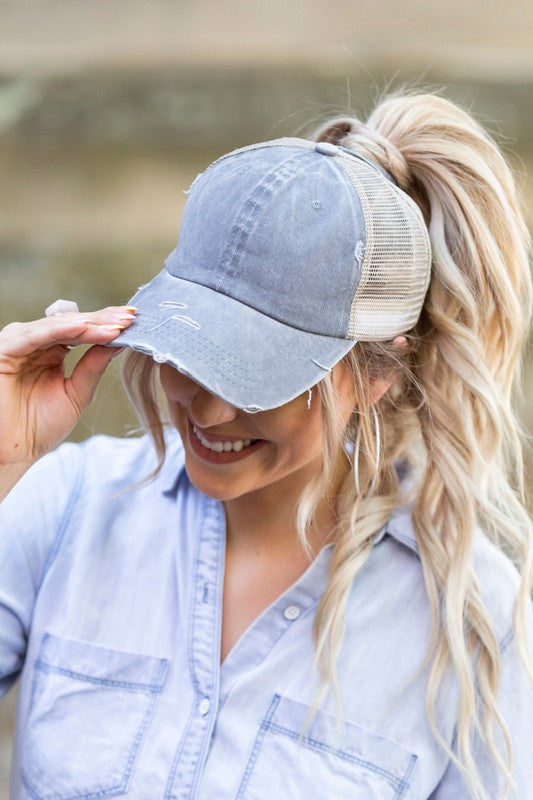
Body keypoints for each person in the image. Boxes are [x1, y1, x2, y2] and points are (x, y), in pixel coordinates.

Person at [0, 91, 532, 800]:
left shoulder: (474, 630)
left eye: (260, 376)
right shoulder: (62, 506)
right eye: (189, 349)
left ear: (376, 373)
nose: (211, 407)